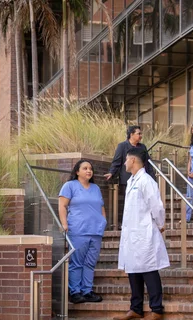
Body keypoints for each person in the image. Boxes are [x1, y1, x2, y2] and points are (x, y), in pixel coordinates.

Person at [114, 148, 169, 320]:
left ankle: (156, 309)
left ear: (133, 161)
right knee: (133, 270)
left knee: (149, 270)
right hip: (132, 233)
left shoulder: (146, 181)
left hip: (144, 232)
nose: (124, 163)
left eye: (126, 160)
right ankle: (136, 307)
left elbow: (156, 206)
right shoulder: (132, 181)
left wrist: (160, 224)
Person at [58, 160, 107, 304]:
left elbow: (101, 207)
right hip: (78, 230)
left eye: (90, 168)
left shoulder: (96, 188)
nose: (89, 171)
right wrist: (64, 224)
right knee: (76, 262)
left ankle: (87, 291)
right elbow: (62, 205)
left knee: (90, 263)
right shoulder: (70, 186)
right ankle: (75, 292)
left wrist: (103, 221)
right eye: (85, 168)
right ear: (77, 171)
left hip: (96, 231)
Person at [104, 125, 155, 224]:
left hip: (141, 179)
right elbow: (117, 161)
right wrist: (111, 172)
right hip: (127, 180)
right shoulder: (122, 146)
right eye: (138, 133)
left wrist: (152, 177)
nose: (141, 136)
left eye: (141, 134)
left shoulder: (142, 147)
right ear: (131, 134)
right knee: (128, 203)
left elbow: (147, 163)